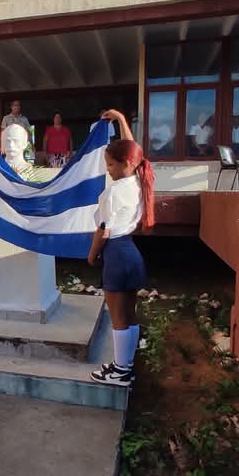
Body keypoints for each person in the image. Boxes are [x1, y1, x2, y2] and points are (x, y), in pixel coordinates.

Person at [88, 109, 155, 386]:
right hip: (131, 253)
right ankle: (125, 364)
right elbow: (133, 150)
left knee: (116, 315)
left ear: (126, 164)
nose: (108, 170)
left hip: (116, 253)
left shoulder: (114, 191)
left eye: (111, 165)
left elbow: (103, 229)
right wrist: (120, 120)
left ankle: (120, 371)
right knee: (129, 312)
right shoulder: (140, 181)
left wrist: (92, 255)